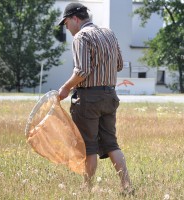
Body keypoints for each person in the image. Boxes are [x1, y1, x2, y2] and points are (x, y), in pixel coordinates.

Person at [57, 2, 133, 195]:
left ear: (75, 18)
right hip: (110, 95)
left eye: (66, 23)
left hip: (89, 98)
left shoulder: (81, 37)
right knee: (111, 144)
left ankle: (86, 189)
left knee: (89, 146)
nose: (66, 28)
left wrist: (65, 88)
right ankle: (127, 186)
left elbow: (82, 70)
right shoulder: (109, 33)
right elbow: (119, 65)